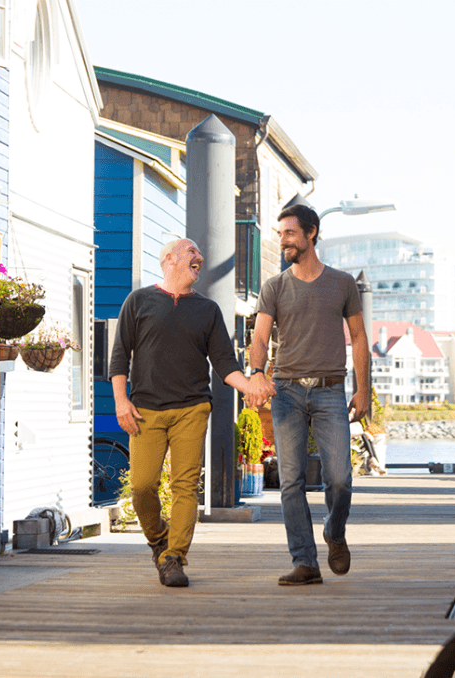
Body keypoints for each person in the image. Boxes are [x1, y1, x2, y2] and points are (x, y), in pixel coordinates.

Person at [109, 238, 272, 588]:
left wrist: (250, 386)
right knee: (141, 486)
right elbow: (119, 356)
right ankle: (159, 541)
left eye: (199, 253)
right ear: (169, 259)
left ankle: (173, 558)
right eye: (191, 252)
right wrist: (121, 402)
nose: (199, 257)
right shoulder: (138, 301)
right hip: (144, 411)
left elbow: (225, 364)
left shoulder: (208, 310)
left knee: (185, 486)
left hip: (191, 408)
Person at [249, 204, 370, 586]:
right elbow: (259, 337)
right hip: (286, 393)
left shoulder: (342, 283)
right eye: (280, 233)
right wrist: (255, 372)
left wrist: (363, 389)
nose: (282, 240)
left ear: (311, 233)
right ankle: (305, 562)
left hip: (331, 392)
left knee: (340, 479)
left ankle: (334, 533)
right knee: (292, 481)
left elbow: (360, 338)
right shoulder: (275, 286)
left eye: (289, 233)